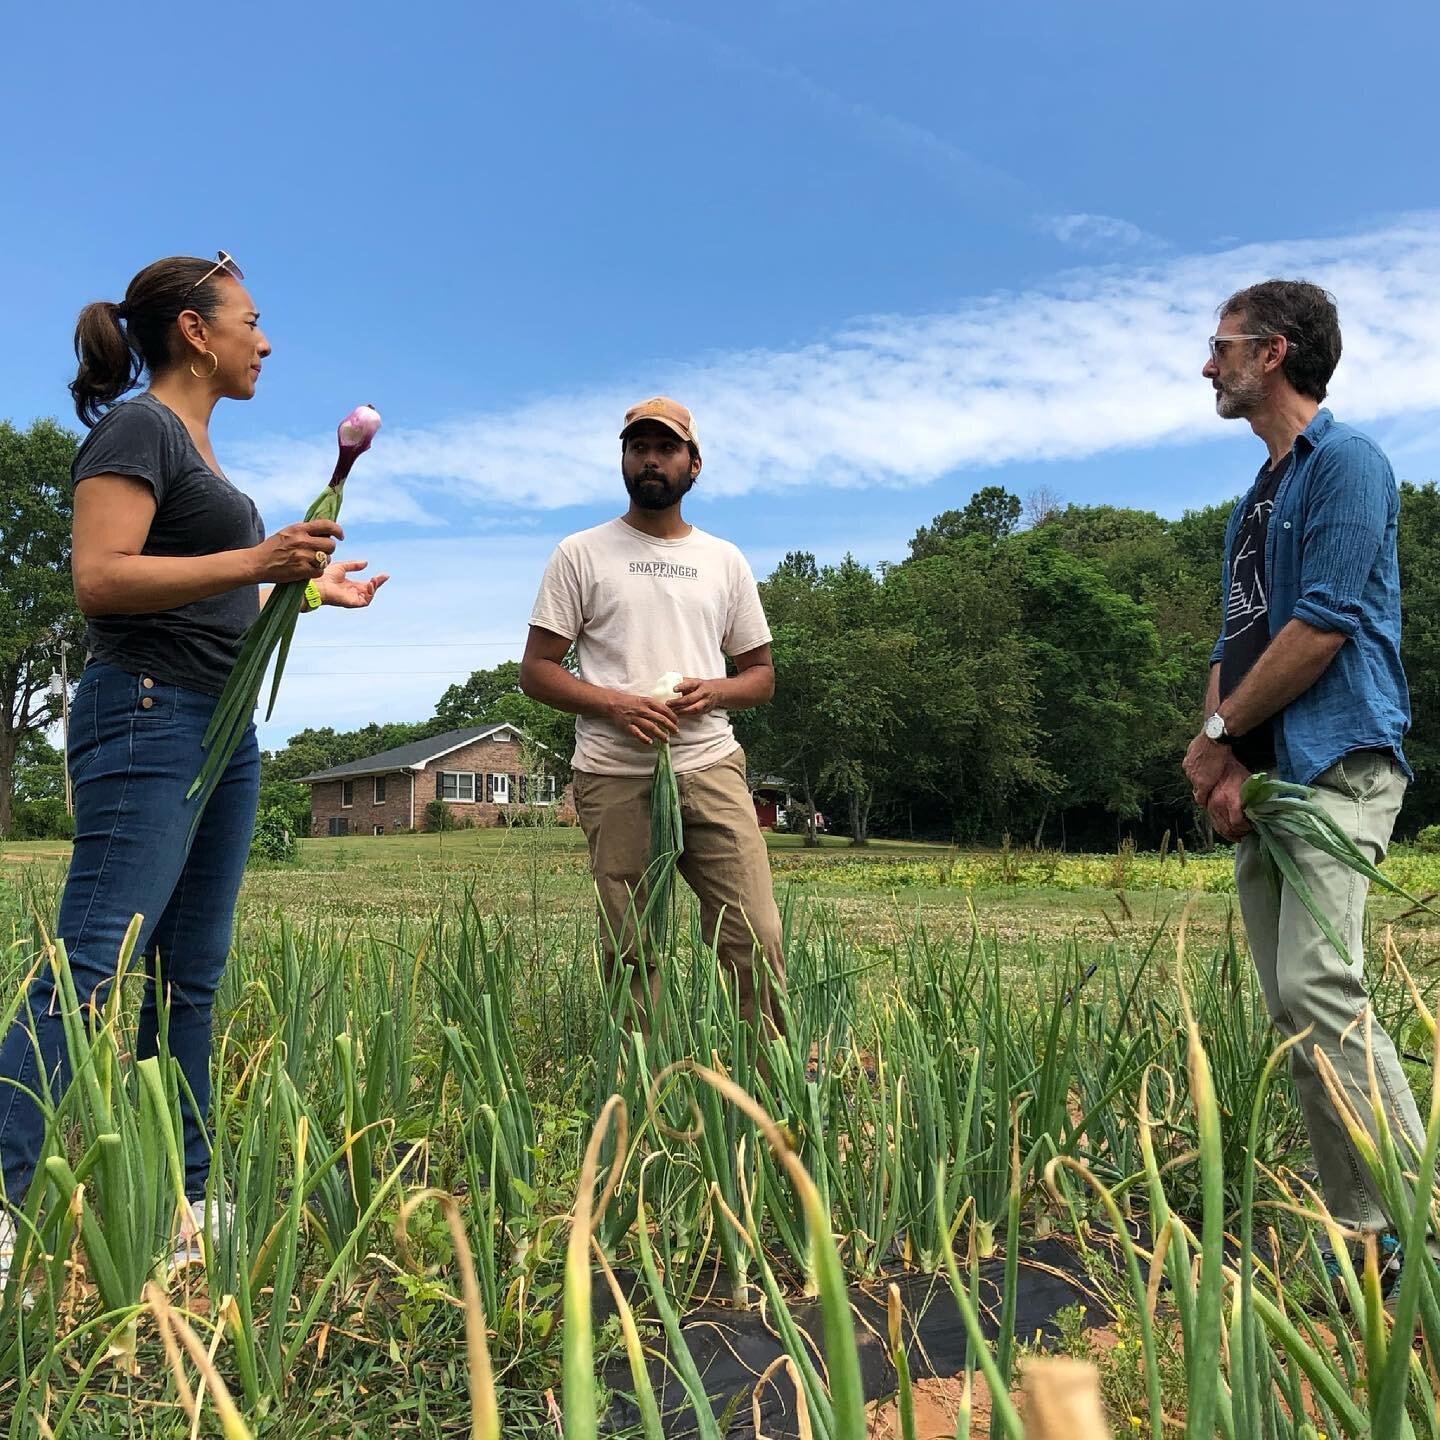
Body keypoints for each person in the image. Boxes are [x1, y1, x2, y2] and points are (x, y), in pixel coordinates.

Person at [0, 253, 387, 1282]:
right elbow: (103, 579)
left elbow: (213, 596)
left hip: (220, 728)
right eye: (251, 320)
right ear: (194, 331)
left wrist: (304, 594)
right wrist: (258, 561)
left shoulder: (204, 456)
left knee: (188, 982)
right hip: (146, 716)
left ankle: (191, 1207)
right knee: (91, 968)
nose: (266, 340)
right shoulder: (139, 429)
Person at [1183, 278, 1422, 1283]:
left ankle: (1421, 1237)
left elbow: (1320, 627)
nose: (1209, 364)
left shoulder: (1348, 463)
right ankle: (1363, 1237)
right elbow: (1240, 635)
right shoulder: (1258, 495)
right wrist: (1224, 755)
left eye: (1221, 345)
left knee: (1324, 987)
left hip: (1335, 761)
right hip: (1267, 774)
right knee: (1294, 1008)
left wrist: (1216, 732)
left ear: (1273, 352)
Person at [519, 397, 784, 1032]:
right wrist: (616, 704)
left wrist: (713, 692)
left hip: (708, 764)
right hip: (614, 774)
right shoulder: (579, 554)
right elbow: (537, 670)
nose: (650, 460)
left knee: (755, 930)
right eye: (638, 448)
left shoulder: (725, 560)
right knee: (632, 946)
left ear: (694, 465)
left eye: (666, 449)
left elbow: (762, 677)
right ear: (623, 461)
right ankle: (644, 1084)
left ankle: (773, 1076)